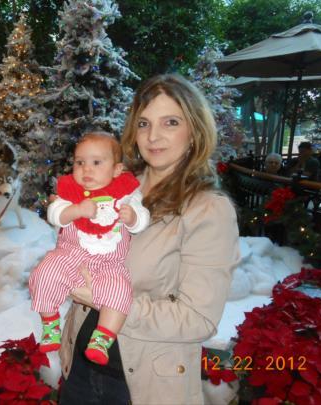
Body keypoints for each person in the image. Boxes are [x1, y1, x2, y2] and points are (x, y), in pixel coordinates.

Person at [58, 74, 240, 404]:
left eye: (171, 122)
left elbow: (197, 319)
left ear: (195, 131)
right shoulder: (115, 186)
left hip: (142, 386)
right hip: (80, 369)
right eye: (144, 123)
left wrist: (108, 301)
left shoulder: (207, 209)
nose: (153, 136)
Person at [29, 132, 150, 366]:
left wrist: (133, 217)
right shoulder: (70, 190)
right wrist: (75, 211)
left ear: (117, 169)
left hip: (109, 263)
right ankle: (50, 322)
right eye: (80, 162)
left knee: (119, 292)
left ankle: (102, 338)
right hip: (69, 255)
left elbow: (143, 219)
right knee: (44, 274)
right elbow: (55, 214)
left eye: (96, 162)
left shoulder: (127, 192)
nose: (86, 169)